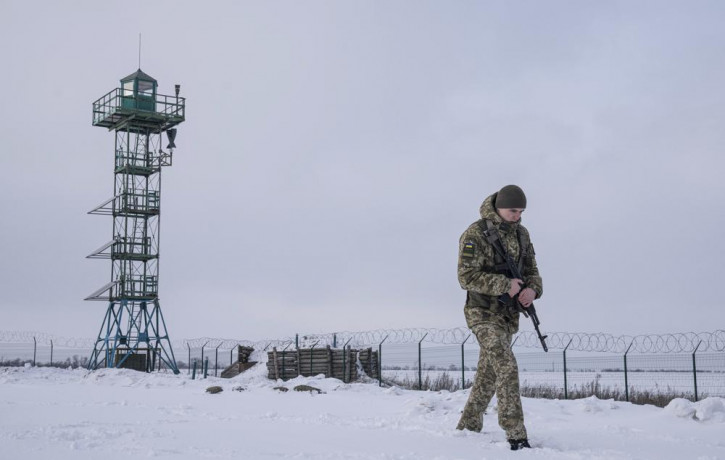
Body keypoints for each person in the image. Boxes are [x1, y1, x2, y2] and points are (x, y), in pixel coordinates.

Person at [455, 184, 543, 451]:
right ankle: (515, 434)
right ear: (498, 207)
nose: (517, 215)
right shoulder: (476, 234)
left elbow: (532, 270)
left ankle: (467, 427)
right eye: (513, 210)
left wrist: (532, 290)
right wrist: (505, 285)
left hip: (507, 316)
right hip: (482, 313)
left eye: (521, 211)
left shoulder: (522, 234)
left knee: (488, 374)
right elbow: (466, 277)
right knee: (506, 366)